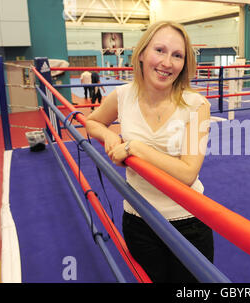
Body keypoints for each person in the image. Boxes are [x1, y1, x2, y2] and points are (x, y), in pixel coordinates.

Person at [85, 20, 213, 282]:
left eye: (177, 55)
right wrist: (109, 134)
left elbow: (187, 173)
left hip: (187, 221)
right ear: (142, 53)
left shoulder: (196, 105)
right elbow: (92, 122)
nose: (167, 62)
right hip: (138, 220)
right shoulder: (122, 96)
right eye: (160, 50)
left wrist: (135, 148)